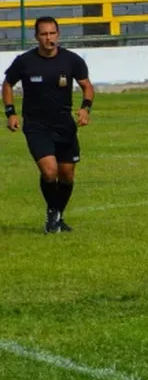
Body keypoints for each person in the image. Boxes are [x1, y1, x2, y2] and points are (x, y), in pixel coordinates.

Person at [3, 17, 94, 234]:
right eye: (44, 34)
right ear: (36, 37)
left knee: (67, 174)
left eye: (52, 33)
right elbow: (7, 84)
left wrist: (85, 108)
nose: (48, 38)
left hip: (64, 124)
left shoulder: (72, 61)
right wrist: (10, 113)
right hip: (36, 125)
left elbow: (87, 86)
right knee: (50, 171)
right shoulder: (24, 62)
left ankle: (56, 216)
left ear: (58, 34)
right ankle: (54, 215)